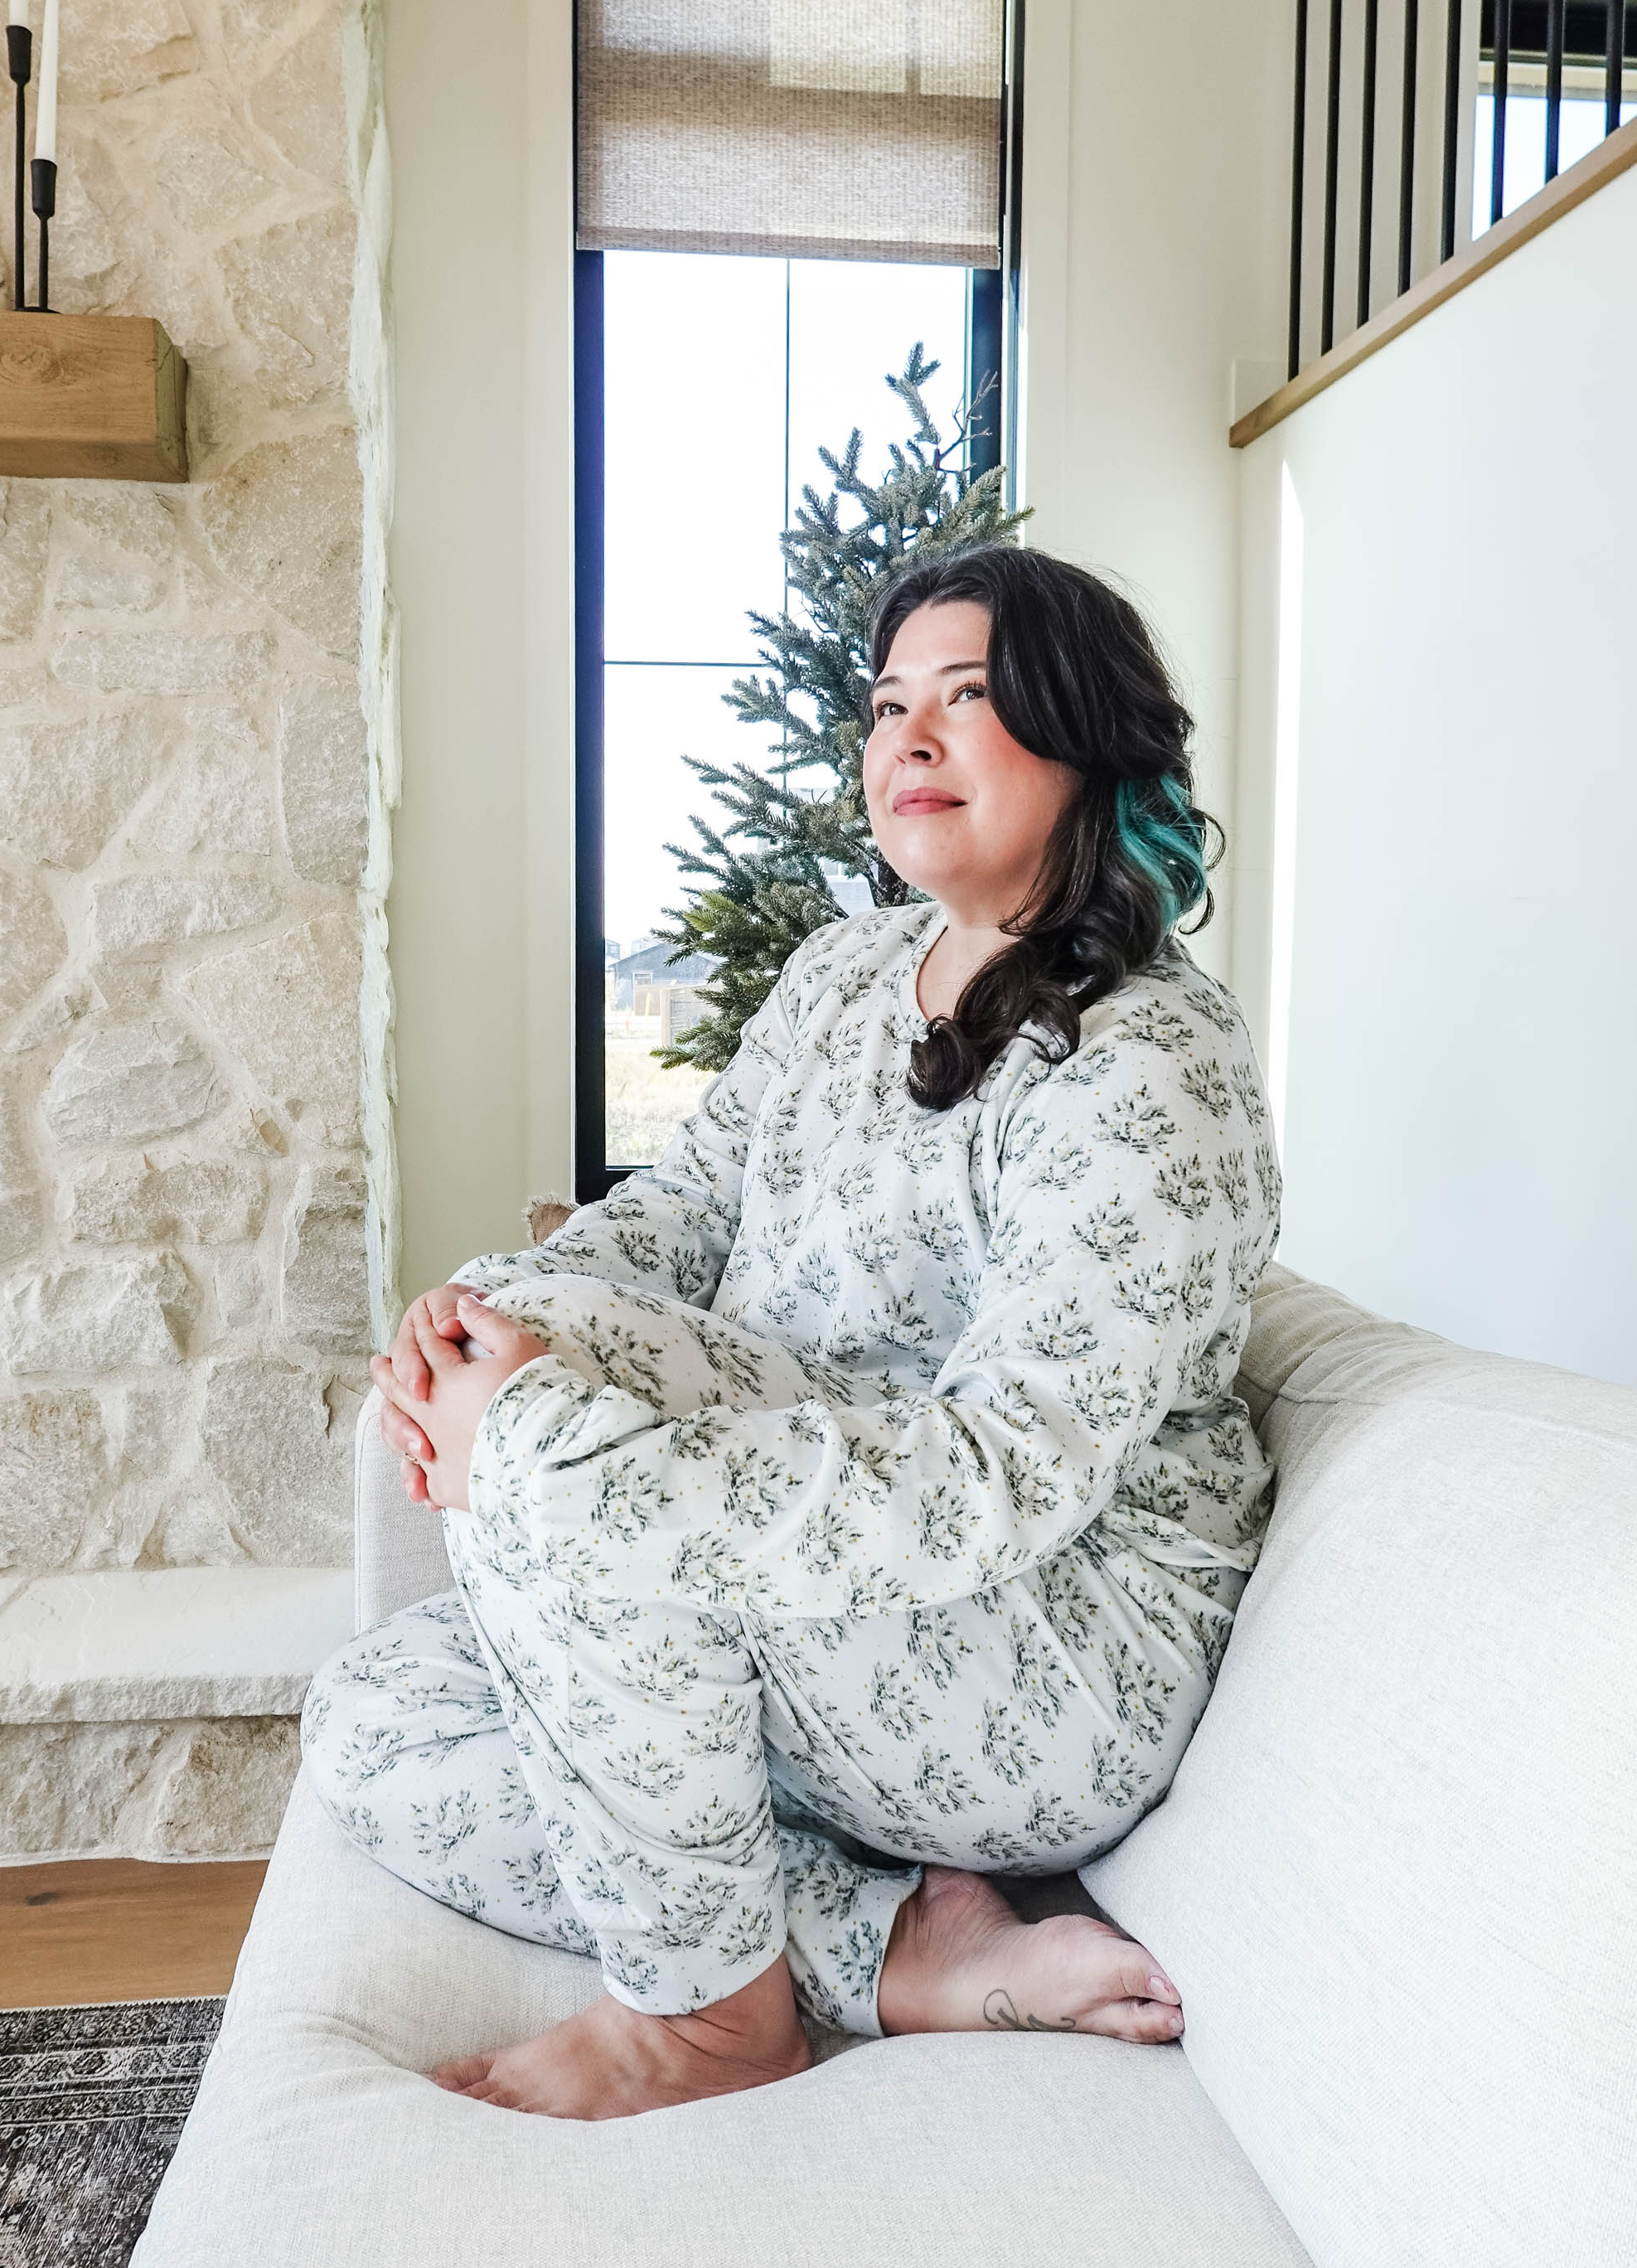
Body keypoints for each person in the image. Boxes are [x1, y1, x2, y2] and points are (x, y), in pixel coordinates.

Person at [303, 545, 1280, 2121]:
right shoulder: (845, 973)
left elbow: (1000, 1478)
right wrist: (477, 1320)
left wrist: (557, 1458)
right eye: (889, 706)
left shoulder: (1150, 1064)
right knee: (372, 1718)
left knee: (556, 1422)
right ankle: (889, 1953)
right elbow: (684, 1211)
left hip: (1044, 1648)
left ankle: (704, 2023)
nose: (909, 739)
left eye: (969, 698)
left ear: (1087, 738)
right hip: (797, 1598)